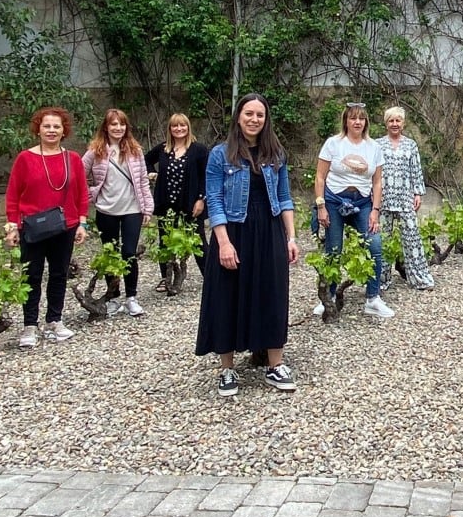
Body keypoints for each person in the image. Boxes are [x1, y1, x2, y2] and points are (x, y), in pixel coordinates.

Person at [196, 93, 299, 394]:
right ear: (238, 116)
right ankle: (227, 369)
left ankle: (274, 365)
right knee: (227, 296)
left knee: (273, 293)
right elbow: (213, 199)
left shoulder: (276, 153)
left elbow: (285, 198)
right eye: (249, 113)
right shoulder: (220, 154)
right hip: (234, 231)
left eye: (260, 115)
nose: (254, 120)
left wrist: (291, 237)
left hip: (269, 230)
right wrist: (224, 243)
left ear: (266, 120)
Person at [4, 107, 89, 348]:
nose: (51, 130)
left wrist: (82, 222)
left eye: (56, 126)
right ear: (38, 129)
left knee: (59, 273)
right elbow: (13, 195)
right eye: (46, 126)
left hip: (66, 225)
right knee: (31, 275)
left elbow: (82, 193)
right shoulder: (25, 158)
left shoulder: (72, 159)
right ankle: (29, 325)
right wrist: (12, 226)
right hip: (32, 225)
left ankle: (55, 320)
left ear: (64, 131)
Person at [314, 102, 393, 318]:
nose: (357, 122)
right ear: (346, 121)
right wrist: (321, 206)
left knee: (375, 245)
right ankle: (328, 296)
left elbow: (377, 182)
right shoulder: (333, 143)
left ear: (366, 122)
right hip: (334, 200)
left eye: (361, 118)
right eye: (353, 118)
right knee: (334, 248)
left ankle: (373, 298)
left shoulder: (374, 147)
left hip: (363, 203)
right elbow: (320, 176)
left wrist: (375, 211)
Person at [82, 109, 154, 317]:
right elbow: (79, 173)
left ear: (126, 127)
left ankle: (131, 297)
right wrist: (90, 194)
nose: (118, 128)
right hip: (106, 210)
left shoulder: (135, 150)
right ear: (106, 127)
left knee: (129, 253)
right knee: (111, 254)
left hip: (132, 208)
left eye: (121, 124)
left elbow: (142, 181)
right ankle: (113, 296)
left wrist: (147, 207)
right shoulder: (95, 151)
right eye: (113, 124)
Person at [144, 113, 209, 288]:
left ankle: (210, 276)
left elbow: (207, 176)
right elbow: (146, 160)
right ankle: (166, 278)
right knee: (165, 239)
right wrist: (152, 173)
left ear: (188, 127)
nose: (179, 129)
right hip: (167, 203)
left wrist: (201, 199)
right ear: (170, 129)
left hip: (191, 202)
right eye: (175, 126)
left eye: (182, 126)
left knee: (198, 238)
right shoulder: (163, 149)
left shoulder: (199, 150)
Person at [378, 106, 434, 290]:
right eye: (391, 121)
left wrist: (417, 193)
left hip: (405, 198)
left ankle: (419, 278)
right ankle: (380, 280)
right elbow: (373, 172)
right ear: (386, 123)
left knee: (412, 239)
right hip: (383, 199)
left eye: (398, 120)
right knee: (382, 240)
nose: (395, 124)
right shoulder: (377, 145)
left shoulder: (411, 145)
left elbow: (416, 170)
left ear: (403, 123)